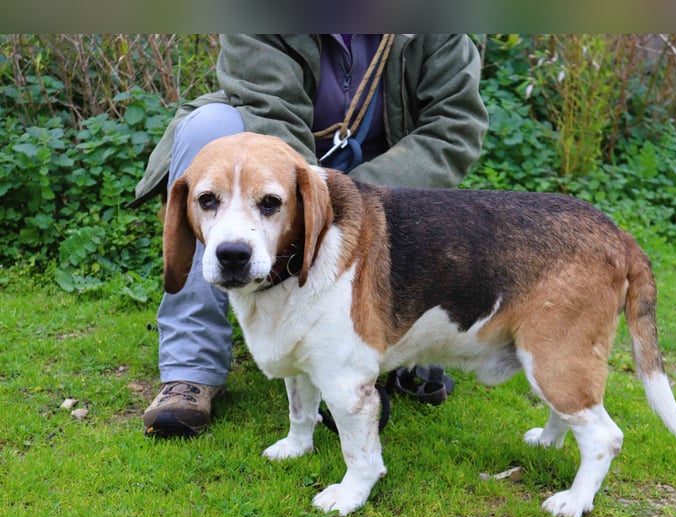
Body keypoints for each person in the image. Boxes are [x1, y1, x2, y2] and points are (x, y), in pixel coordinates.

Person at [133, 34, 489, 437]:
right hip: (276, 166)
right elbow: (272, 113)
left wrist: (355, 200)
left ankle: (399, 347)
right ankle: (191, 367)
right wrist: (312, 199)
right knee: (209, 127)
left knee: (423, 191)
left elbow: (453, 128)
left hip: (385, 179)